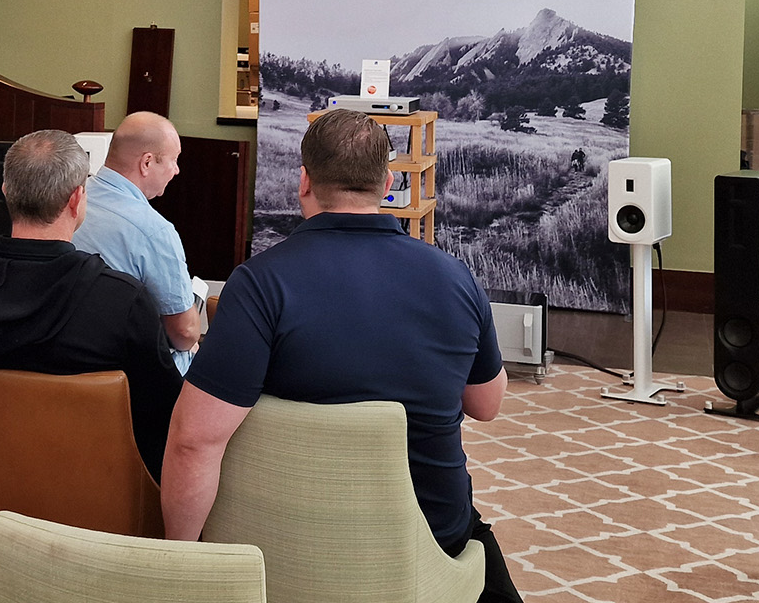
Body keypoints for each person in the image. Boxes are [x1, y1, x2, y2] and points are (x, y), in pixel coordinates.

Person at [160, 109, 521, 603]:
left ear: (303, 181)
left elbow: (193, 443)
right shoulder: (454, 278)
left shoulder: (259, 283)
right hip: (426, 540)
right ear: (388, 182)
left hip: (280, 540)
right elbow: (486, 403)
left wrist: (180, 566)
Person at [0, 129, 183, 479]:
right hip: (98, 490)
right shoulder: (122, 300)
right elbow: (164, 410)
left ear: (6, 192)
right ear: (78, 198)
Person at [71, 111, 202, 372]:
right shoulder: (154, 231)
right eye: (174, 161)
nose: (176, 171)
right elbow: (184, 333)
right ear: (147, 163)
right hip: (126, 374)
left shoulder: (70, 202)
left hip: (68, 359)